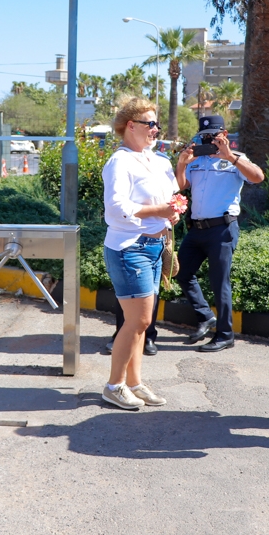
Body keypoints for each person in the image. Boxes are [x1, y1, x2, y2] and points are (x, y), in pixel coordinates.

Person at [100, 97, 181, 410]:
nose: (155, 129)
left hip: (155, 245)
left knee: (140, 324)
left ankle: (133, 383)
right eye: (150, 123)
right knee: (137, 322)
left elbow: (171, 196)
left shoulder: (157, 160)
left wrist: (172, 212)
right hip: (129, 247)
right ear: (130, 126)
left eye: (156, 123)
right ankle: (114, 385)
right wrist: (159, 210)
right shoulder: (120, 162)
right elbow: (117, 210)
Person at [175, 115, 264, 351]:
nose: (209, 140)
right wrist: (182, 163)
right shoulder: (196, 159)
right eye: (205, 136)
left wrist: (230, 157)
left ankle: (225, 335)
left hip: (222, 229)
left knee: (219, 283)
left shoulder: (236, 159)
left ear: (224, 134)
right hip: (197, 229)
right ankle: (205, 316)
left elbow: (258, 177)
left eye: (213, 135)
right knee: (181, 272)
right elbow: (181, 186)